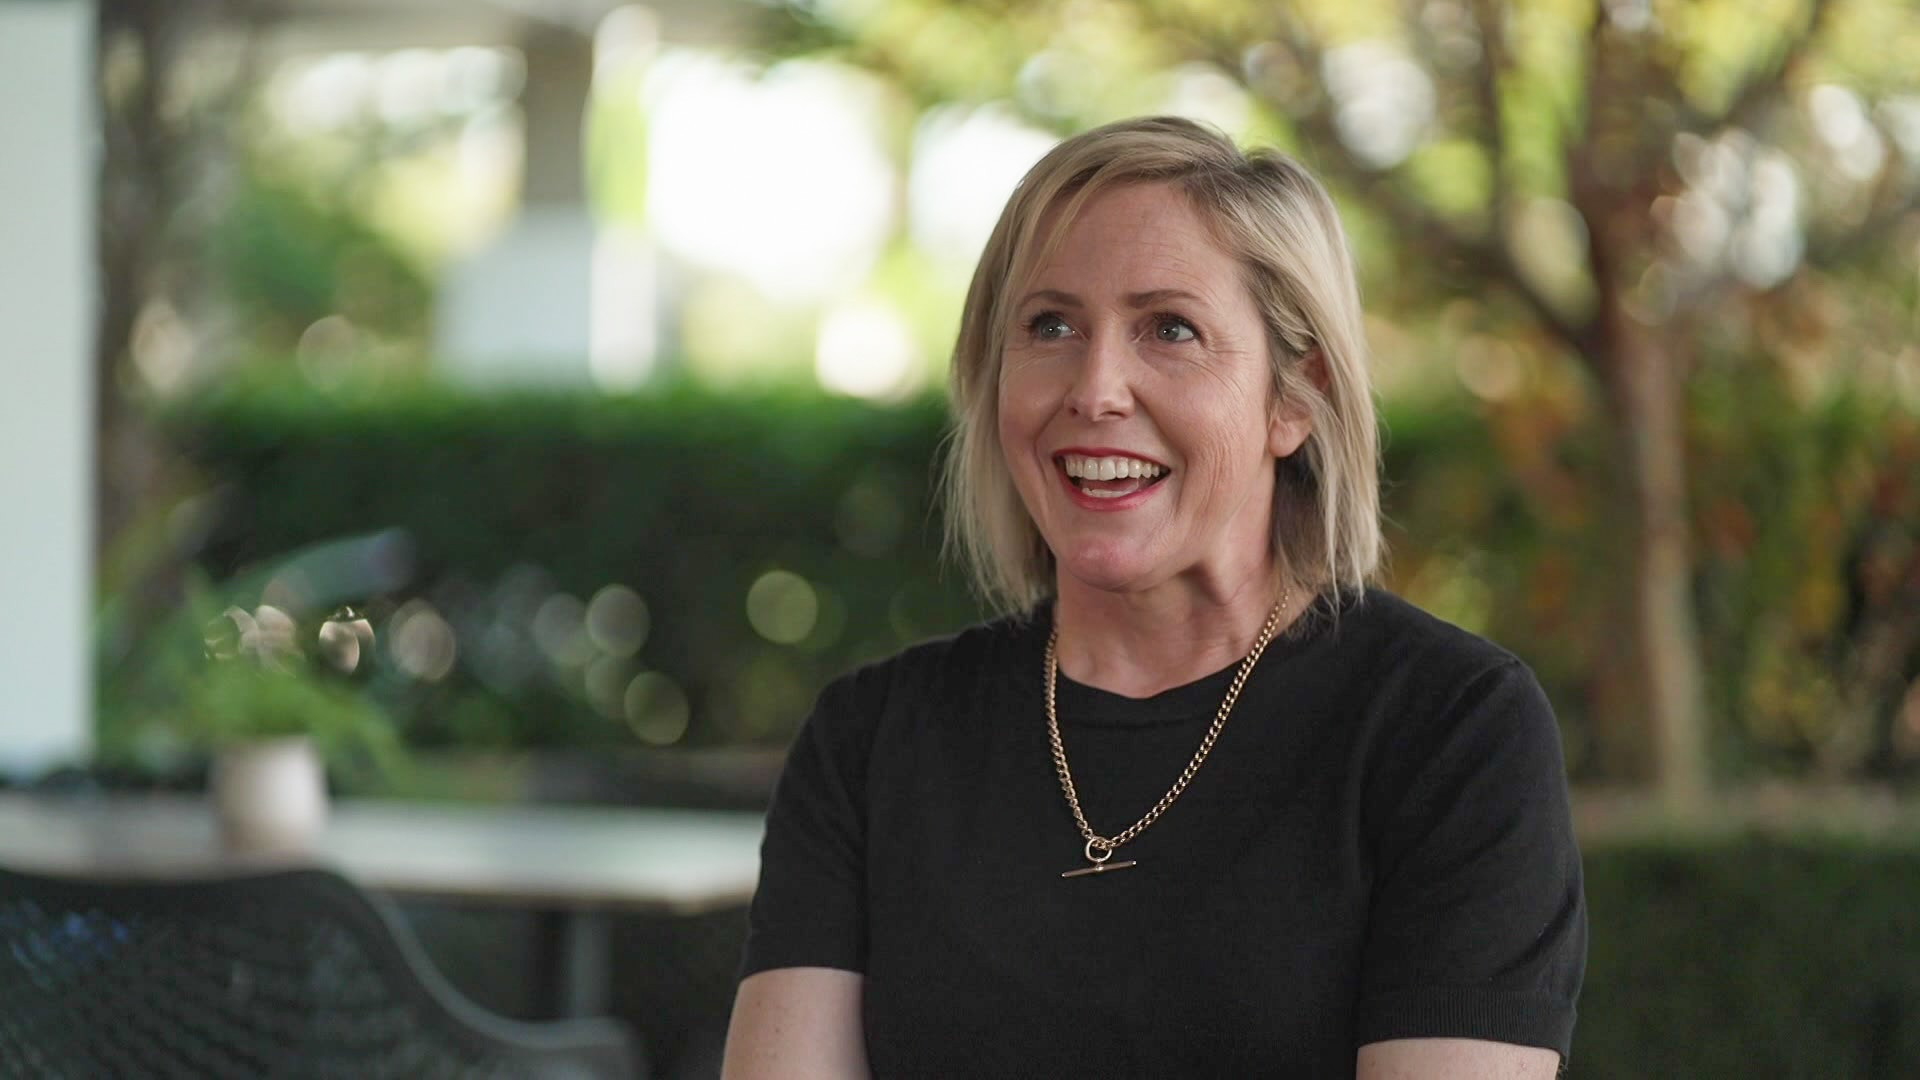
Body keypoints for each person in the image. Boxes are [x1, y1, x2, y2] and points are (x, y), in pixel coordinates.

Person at [722, 115, 1585, 1078]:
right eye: (1050, 326)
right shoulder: (871, 742)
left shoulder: (1450, 732)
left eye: (1170, 329)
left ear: (1295, 397)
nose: (1096, 388)